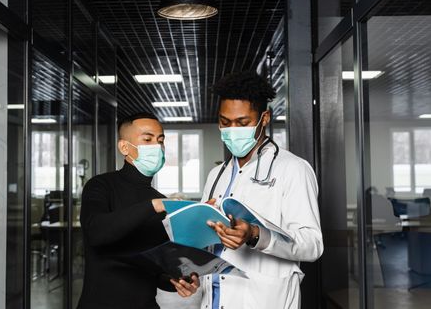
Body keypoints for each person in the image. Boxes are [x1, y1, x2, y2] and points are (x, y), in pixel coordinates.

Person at [198, 72, 323, 308]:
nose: (232, 130)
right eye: (225, 122)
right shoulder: (216, 175)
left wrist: (256, 235)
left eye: (243, 123)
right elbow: (207, 241)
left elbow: (312, 244)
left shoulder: (293, 169)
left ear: (264, 118)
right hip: (213, 298)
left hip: (262, 299)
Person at [78, 112, 198, 309]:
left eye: (160, 140)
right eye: (147, 139)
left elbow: (154, 269)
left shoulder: (159, 200)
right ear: (124, 147)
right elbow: (96, 232)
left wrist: (176, 282)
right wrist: (153, 206)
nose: (157, 147)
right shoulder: (100, 185)